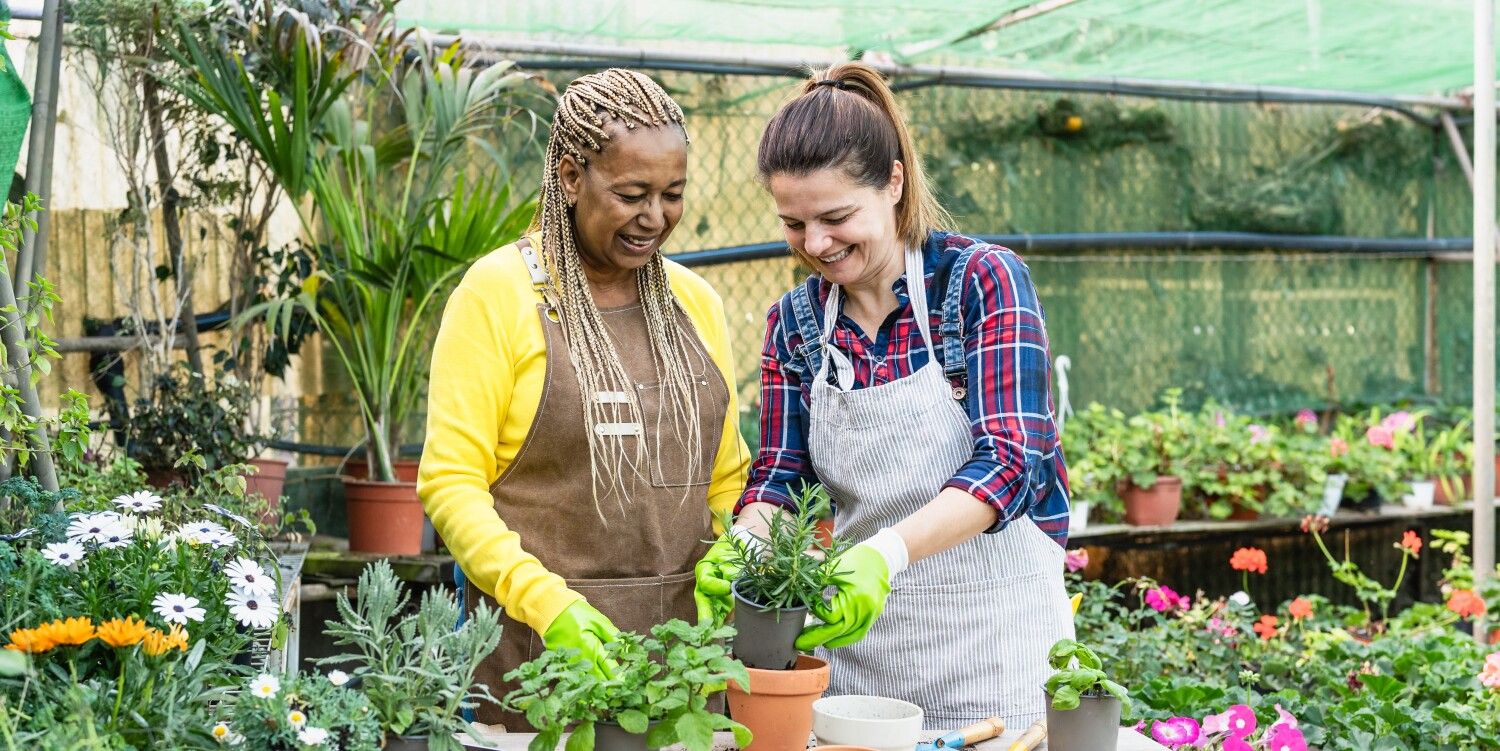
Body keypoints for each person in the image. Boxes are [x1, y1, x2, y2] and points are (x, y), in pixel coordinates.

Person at [694, 62, 1074, 730]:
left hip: (998, 660)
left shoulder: (980, 283)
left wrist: (882, 554)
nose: (815, 243)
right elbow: (783, 478)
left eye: (836, 216)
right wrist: (745, 543)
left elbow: (1015, 460)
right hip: (863, 677)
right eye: (793, 222)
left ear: (894, 182)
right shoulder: (797, 324)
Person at [419, 68, 749, 729]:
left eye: (673, 194)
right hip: (537, 663)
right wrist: (547, 602)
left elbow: (728, 477)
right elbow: (451, 482)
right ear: (571, 177)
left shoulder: (695, 303)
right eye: (632, 193)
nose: (655, 217)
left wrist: (736, 552)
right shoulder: (498, 295)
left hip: (681, 675)